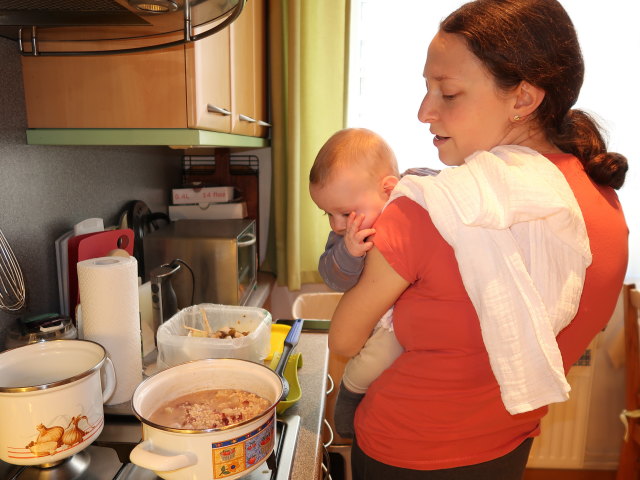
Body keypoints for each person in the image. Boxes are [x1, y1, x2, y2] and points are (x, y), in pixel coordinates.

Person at [328, 1, 629, 479]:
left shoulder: (430, 207)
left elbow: (344, 338)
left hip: (401, 452)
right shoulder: (604, 209)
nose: (424, 111)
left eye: (447, 93)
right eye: (426, 88)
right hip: (506, 447)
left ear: (523, 99)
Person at [309, 128, 408, 438]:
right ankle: (348, 400)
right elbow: (332, 276)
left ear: (389, 190)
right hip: (380, 327)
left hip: (410, 322)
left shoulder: (412, 208)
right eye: (328, 214)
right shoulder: (343, 237)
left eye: (345, 213)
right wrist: (349, 252)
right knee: (367, 367)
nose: (337, 225)